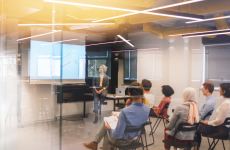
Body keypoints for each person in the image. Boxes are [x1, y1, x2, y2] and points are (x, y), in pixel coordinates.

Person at [83, 81, 150, 150]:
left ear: (130, 94)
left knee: (106, 126)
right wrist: (130, 105)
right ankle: (94, 143)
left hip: (121, 141)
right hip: (134, 138)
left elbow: (117, 135)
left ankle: (95, 143)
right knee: (107, 126)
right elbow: (134, 116)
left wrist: (109, 129)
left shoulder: (125, 111)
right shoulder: (147, 109)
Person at [195, 83, 230, 150]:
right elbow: (222, 120)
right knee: (197, 127)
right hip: (224, 129)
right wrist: (211, 121)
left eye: (220, 89)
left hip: (220, 131)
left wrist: (209, 122)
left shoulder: (226, 104)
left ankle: (195, 148)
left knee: (196, 128)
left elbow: (220, 121)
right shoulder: (227, 102)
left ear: (224, 91)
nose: (219, 90)